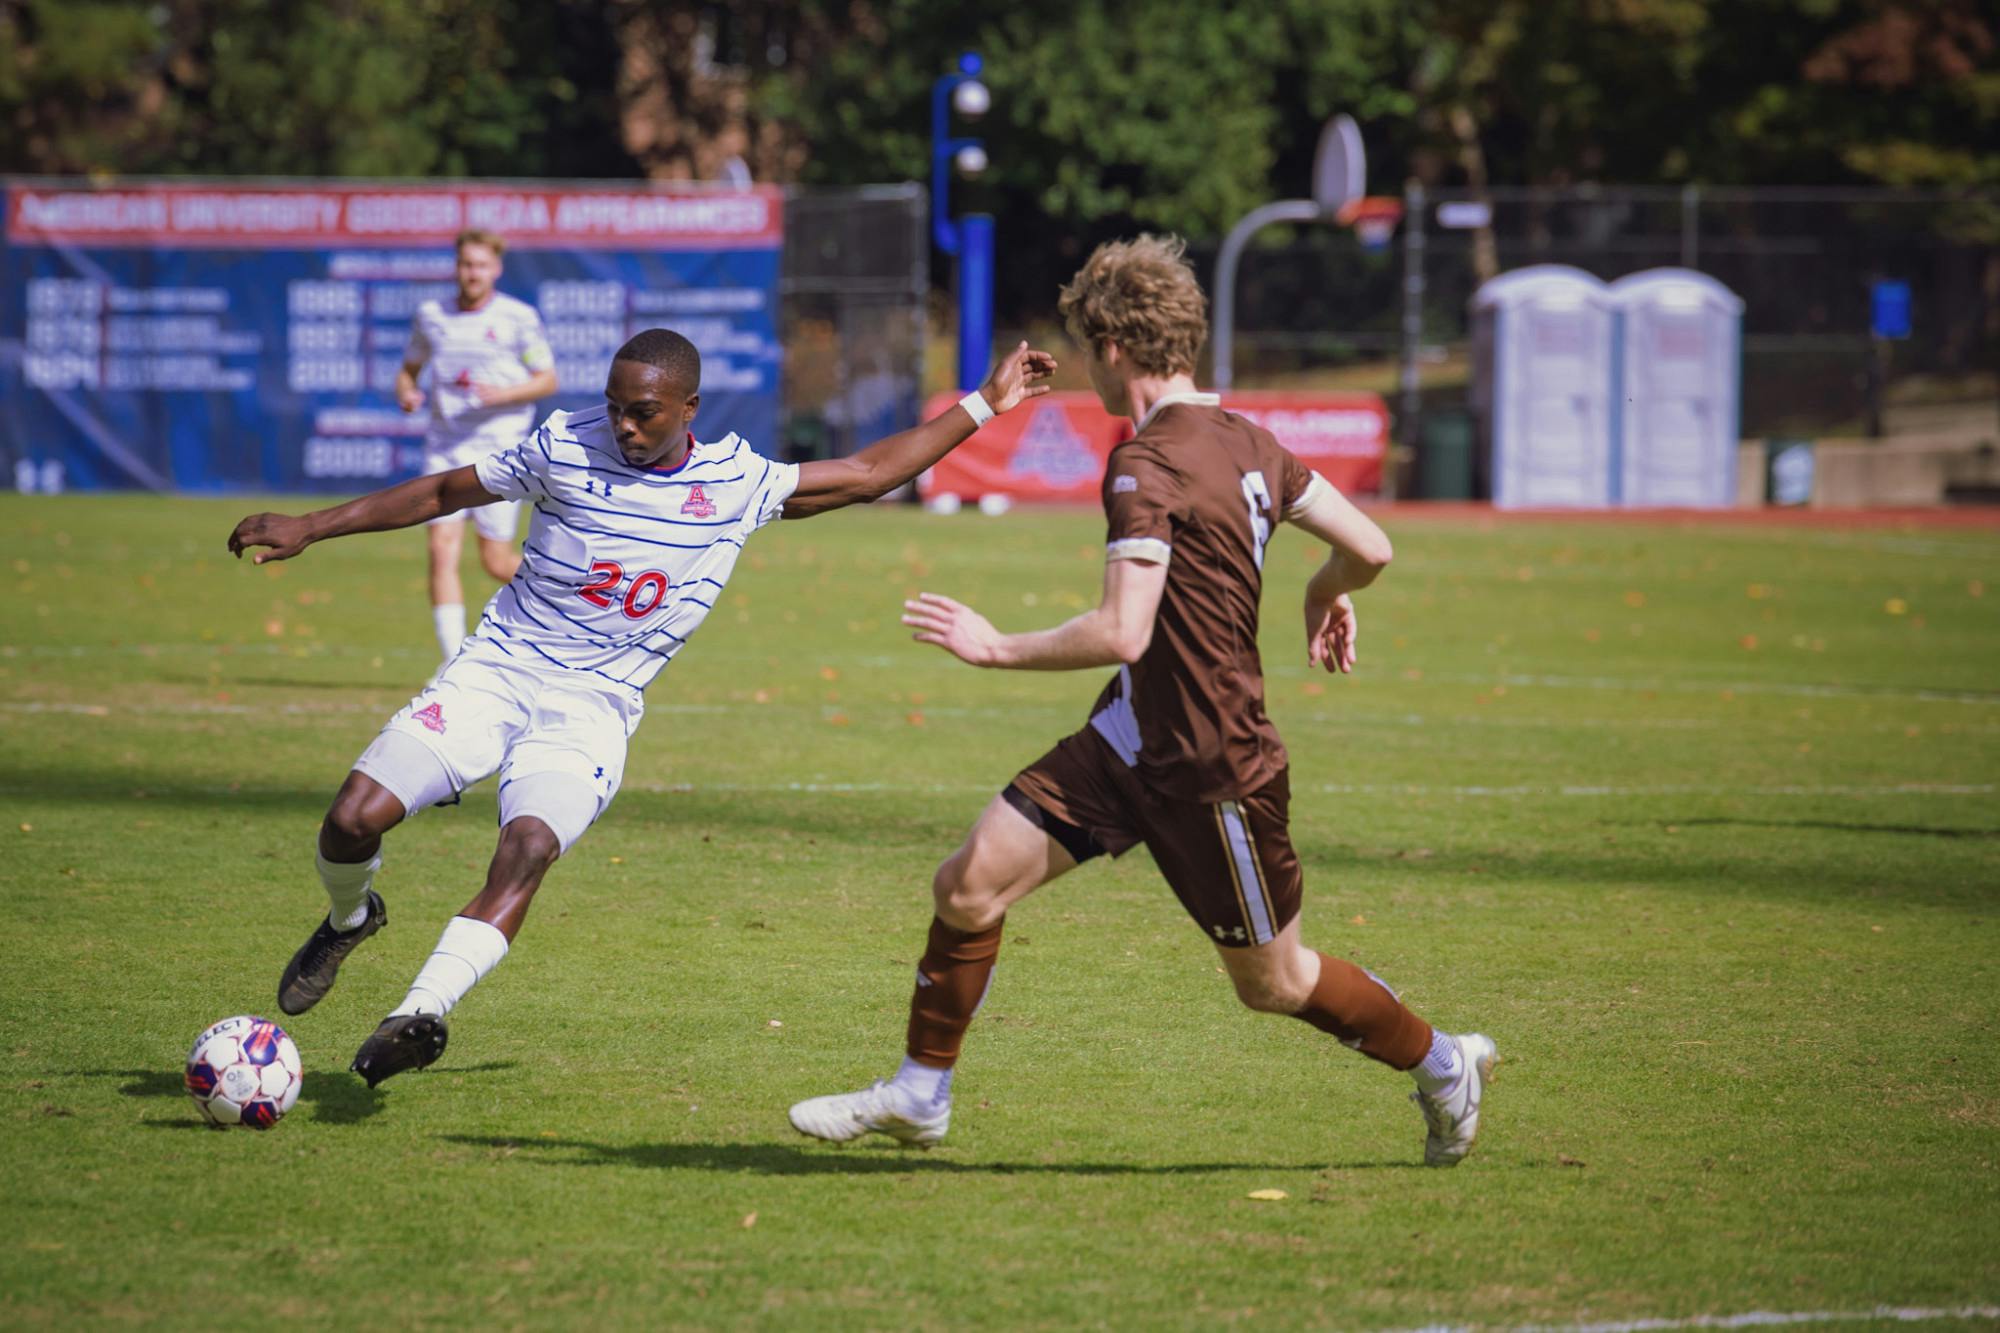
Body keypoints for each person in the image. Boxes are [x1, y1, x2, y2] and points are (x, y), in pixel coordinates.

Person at [788, 237, 1496, 1166]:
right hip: (1131, 735)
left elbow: (1125, 629)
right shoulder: (1250, 441)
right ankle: (921, 1093)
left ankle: (1443, 1062)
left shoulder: (1144, 462)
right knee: (969, 883)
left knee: (1275, 981)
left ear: (1111, 347)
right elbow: (1372, 544)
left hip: (1212, 765)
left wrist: (994, 644)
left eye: (1086, 342)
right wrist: (1328, 590)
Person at [228, 330, 1056, 1087]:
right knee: (352, 818)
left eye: (644, 413)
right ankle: (352, 915)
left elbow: (873, 472)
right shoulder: (564, 443)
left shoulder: (735, 482)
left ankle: (420, 1012)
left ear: (689, 410)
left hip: (592, 707)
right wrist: (313, 524)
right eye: (618, 406)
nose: (623, 425)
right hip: (497, 671)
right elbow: (445, 489)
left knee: (527, 847)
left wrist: (986, 400)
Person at [397, 229, 559, 665]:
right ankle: (453, 664)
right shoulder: (432, 315)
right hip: (446, 448)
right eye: (467, 264)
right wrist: (407, 391)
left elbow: (547, 379)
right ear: (457, 267)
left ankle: (567, 607)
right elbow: (409, 370)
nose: (473, 273)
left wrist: (501, 395)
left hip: (499, 452)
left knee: (495, 560)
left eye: (482, 265)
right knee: (441, 549)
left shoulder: (518, 318)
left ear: (496, 269)